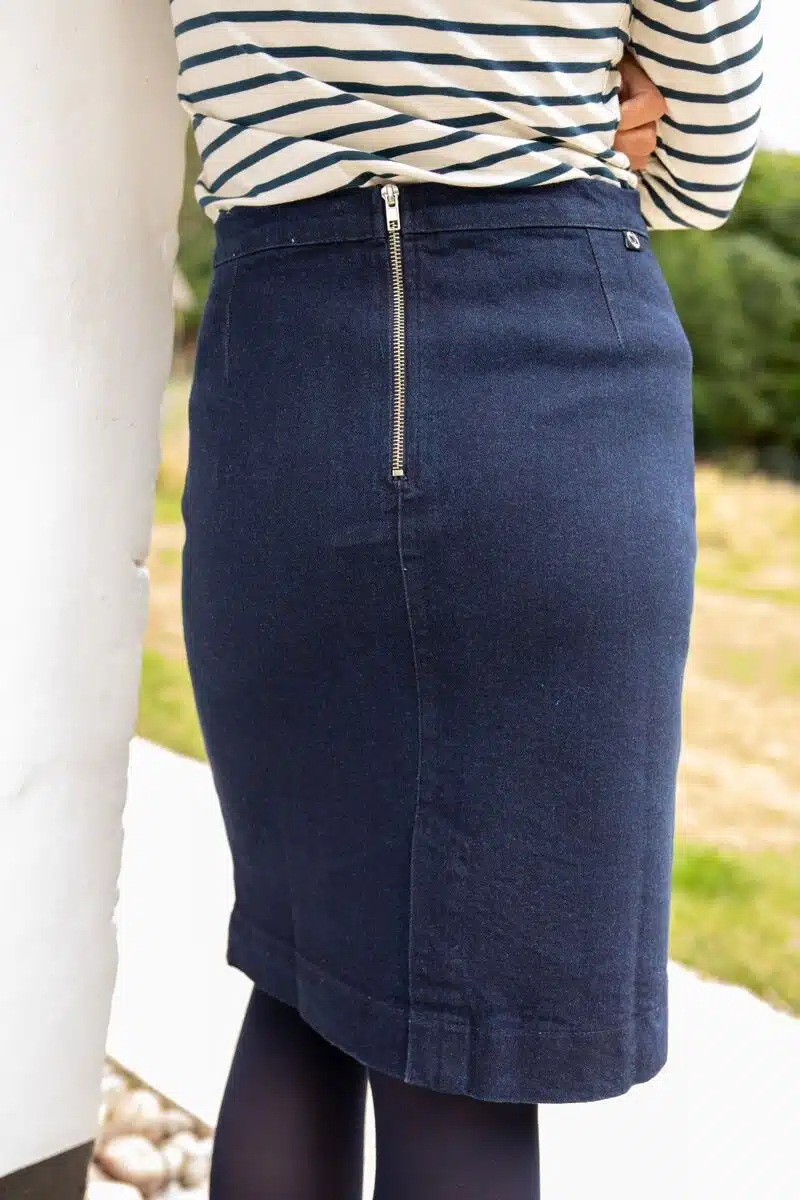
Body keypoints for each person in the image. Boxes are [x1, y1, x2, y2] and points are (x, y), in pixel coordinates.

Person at [170, 2, 762, 1196]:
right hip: (536, 368)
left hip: (276, 379)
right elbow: (705, 160)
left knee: (302, 972)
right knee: (465, 1040)